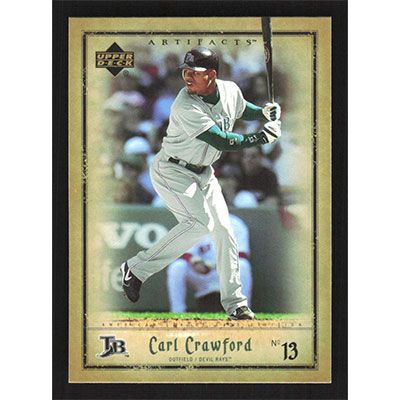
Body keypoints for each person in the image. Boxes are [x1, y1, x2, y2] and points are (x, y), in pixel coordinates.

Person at [120, 47, 282, 320]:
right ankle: (136, 269)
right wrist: (260, 138)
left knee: (224, 231)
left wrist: (264, 113)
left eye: (194, 73)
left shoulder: (230, 90)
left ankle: (235, 304)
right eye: (185, 72)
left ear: (212, 75)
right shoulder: (185, 103)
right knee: (198, 224)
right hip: (173, 169)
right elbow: (222, 140)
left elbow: (243, 110)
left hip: (204, 172)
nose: (187, 78)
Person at [167, 214, 252, 313]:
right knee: (177, 266)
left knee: (243, 265)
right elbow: (187, 253)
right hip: (203, 275)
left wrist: (214, 265)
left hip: (227, 274)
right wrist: (196, 262)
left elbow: (242, 254)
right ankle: (177, 312)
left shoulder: (235, 223)